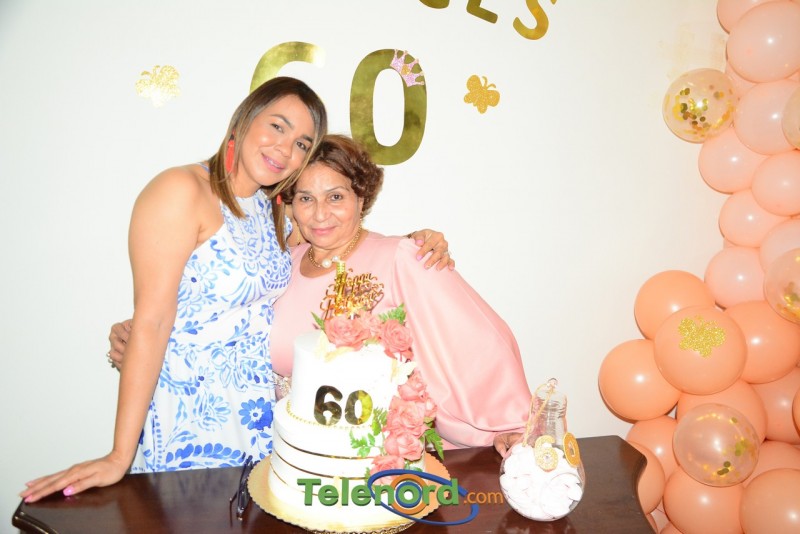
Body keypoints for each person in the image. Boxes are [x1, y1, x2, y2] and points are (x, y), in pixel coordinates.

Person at [20, 78, 449, 504]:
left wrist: (413, 244)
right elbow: (153, 321)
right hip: (190, 416)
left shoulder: (273, 211)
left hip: (258, 422)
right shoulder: (181, 190)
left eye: (301, 143)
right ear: (245, 119)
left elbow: (339, 235)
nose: (285, 149)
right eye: (277, 126)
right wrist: (119, 455)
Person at [112, 134, 531, 456]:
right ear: (290, 204)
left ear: (361, 197)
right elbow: (229, 324)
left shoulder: (402, 257)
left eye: (336, 197)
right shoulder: (282, 265)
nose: (320, 214)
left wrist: (511, 424)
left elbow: (475, 343)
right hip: (281, 456)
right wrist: (147, 337)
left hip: (373, 464)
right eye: (305, 199)